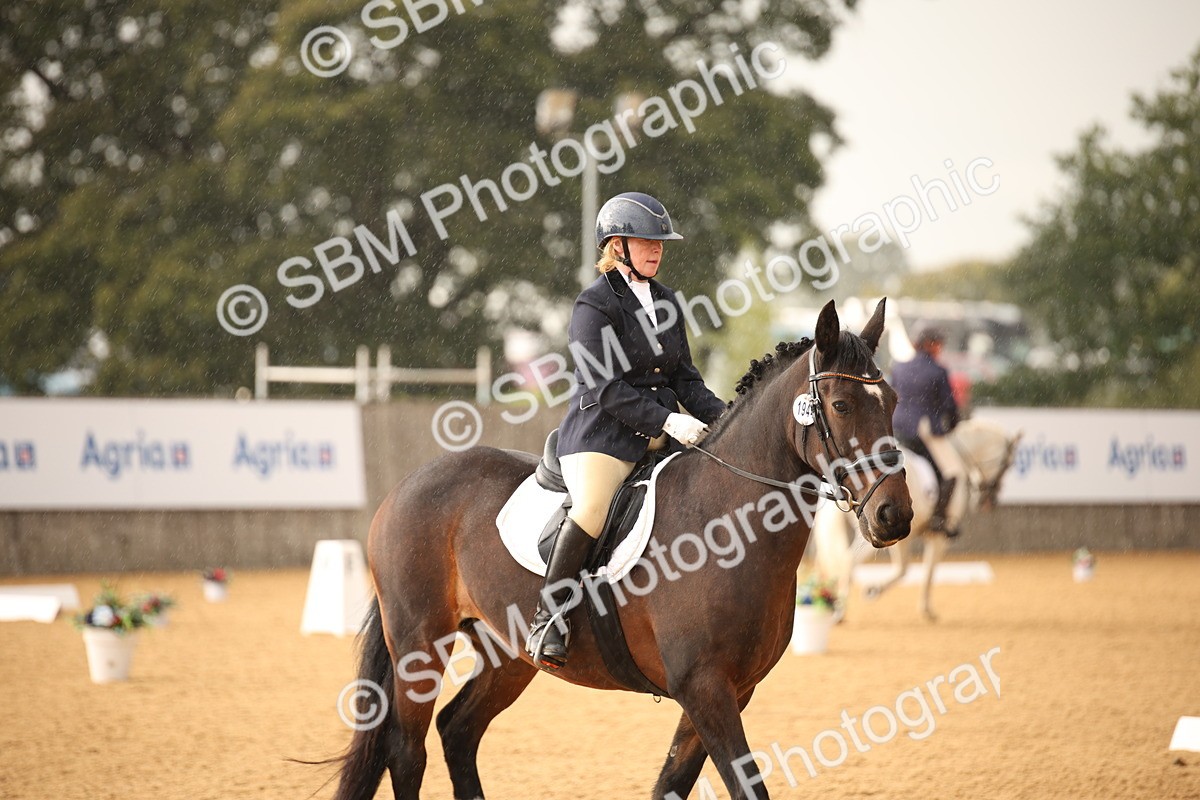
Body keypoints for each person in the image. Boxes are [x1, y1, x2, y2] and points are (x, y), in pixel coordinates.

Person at [525, 191, 727, 671]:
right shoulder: (593, 305)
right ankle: (547, 618)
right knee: (593, 510)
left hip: (659, 435)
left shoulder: (667, 301)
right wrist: (667, 420)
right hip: (601, 436)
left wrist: (726, 418)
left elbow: (685, 379)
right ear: (617, 246)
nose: (657, 250)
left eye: (661, 243)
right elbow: (604, 386)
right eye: (646, 241)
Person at [891, 326, 961, 536]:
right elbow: (949, 407)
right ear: (930, 344)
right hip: (923, 433)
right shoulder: (938, 370)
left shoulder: (899, 367)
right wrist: (952, 425)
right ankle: (939, 518)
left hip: (897, 429)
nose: (941, 348)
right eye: (939, 343)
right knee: (951, 472)